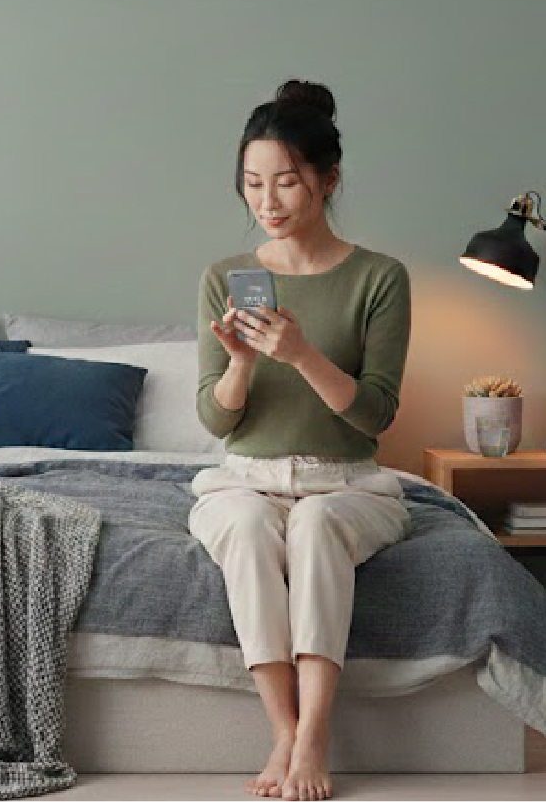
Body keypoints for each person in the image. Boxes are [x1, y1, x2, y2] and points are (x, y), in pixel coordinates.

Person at [189, 79, 413, 801]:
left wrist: (303, 355)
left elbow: (376, 414)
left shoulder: (380, 277)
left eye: (286, 180)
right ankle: (283, 729)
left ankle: (314, 733)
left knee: (316, 525)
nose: (268, 200)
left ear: (327, 180)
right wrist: (245, 365)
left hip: (346, 482)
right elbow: (216, 419)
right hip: (244, 477)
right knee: (250, 529)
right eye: (253, 183)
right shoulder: (227, 277)